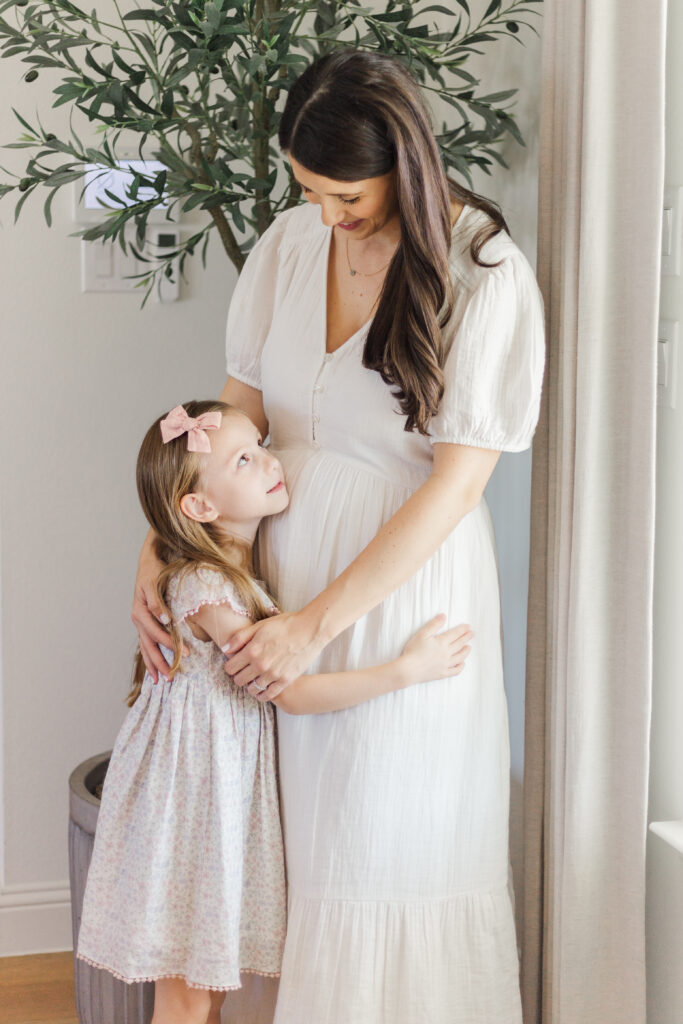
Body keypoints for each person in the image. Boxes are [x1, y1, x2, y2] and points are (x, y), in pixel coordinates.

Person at [134, 48, 545, 1024]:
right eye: (306, 188)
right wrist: (161, 551)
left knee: (379, 847)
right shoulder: (286, 246)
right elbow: (228, 419)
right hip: (274, 587)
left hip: (391, 597)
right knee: (293, 857)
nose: (324, 214)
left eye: (343, 194)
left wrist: (313, 625)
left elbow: (455, 486)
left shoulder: (482, 270)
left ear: (402, 162)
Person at [79, 399, 473, 1024]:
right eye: (244, 459)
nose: (269, 461)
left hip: (212, 798)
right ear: (201, 509)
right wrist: (404, 671)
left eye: (259, 445)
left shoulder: (234, 577)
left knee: (198, 989)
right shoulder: (206, 590)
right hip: (191, 805)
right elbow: (289, 692)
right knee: (185, 996)